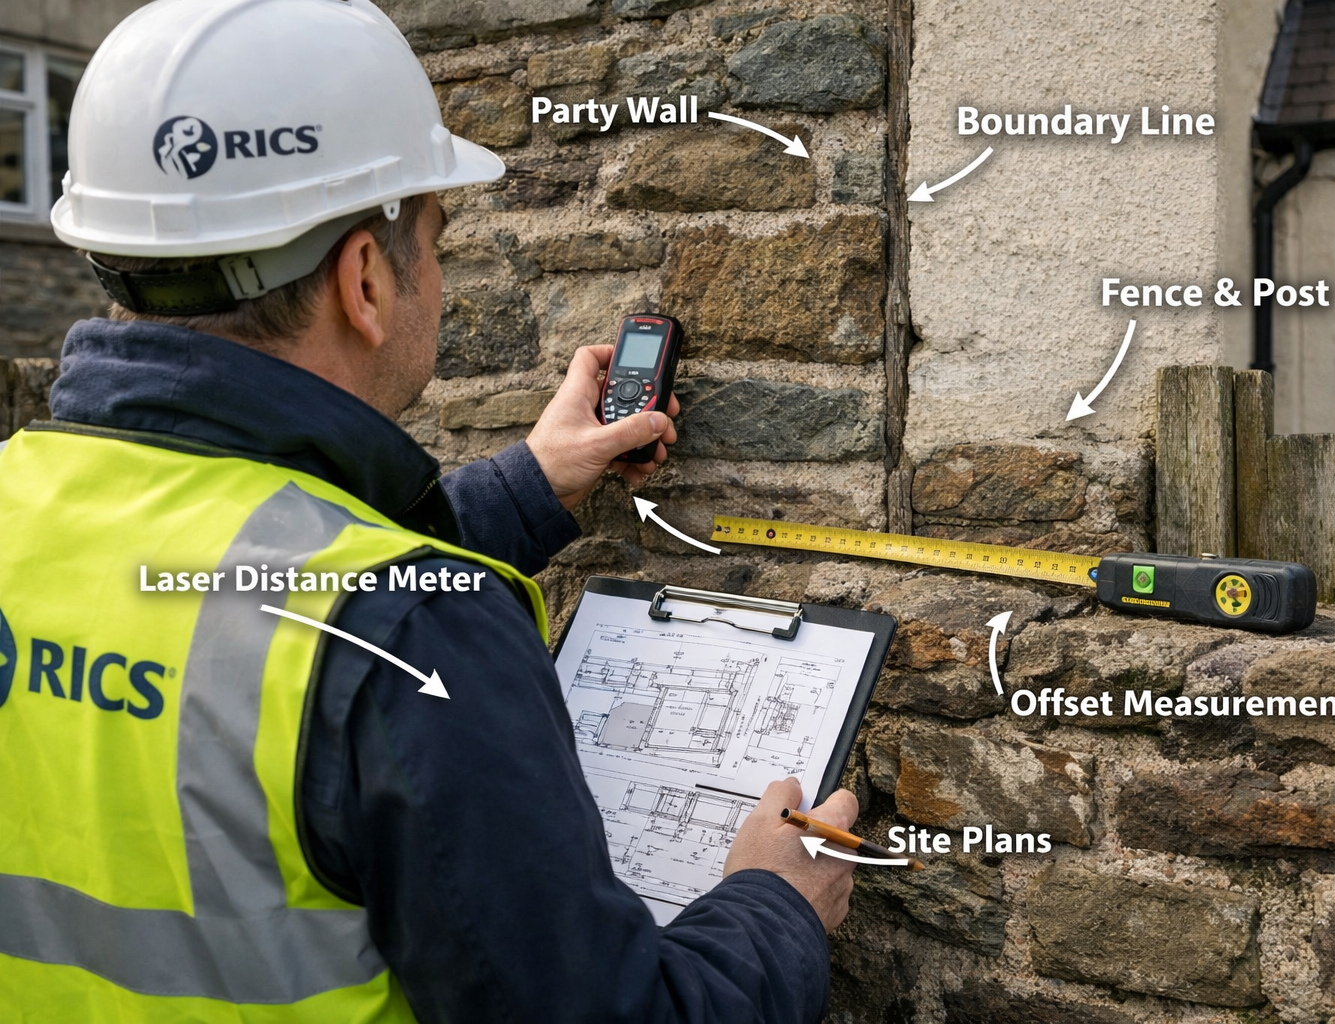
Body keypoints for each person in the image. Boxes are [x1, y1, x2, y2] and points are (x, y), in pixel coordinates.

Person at [0, 0, 859, 1020]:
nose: (440, 278)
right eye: (438, 241)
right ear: (364, 277)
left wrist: (531, 484)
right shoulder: (420, 633)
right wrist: (774, 905)